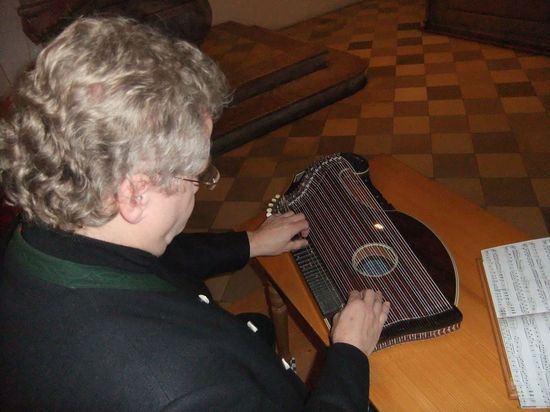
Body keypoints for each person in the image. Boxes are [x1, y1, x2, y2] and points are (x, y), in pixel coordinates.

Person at [0, 16, 390, 411]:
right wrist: (349, 355)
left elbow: (144, 262)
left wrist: (249, 243)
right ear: (134, 194)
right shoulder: (183, 389)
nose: (198, 188)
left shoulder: (42, 228)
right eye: (197, 173)